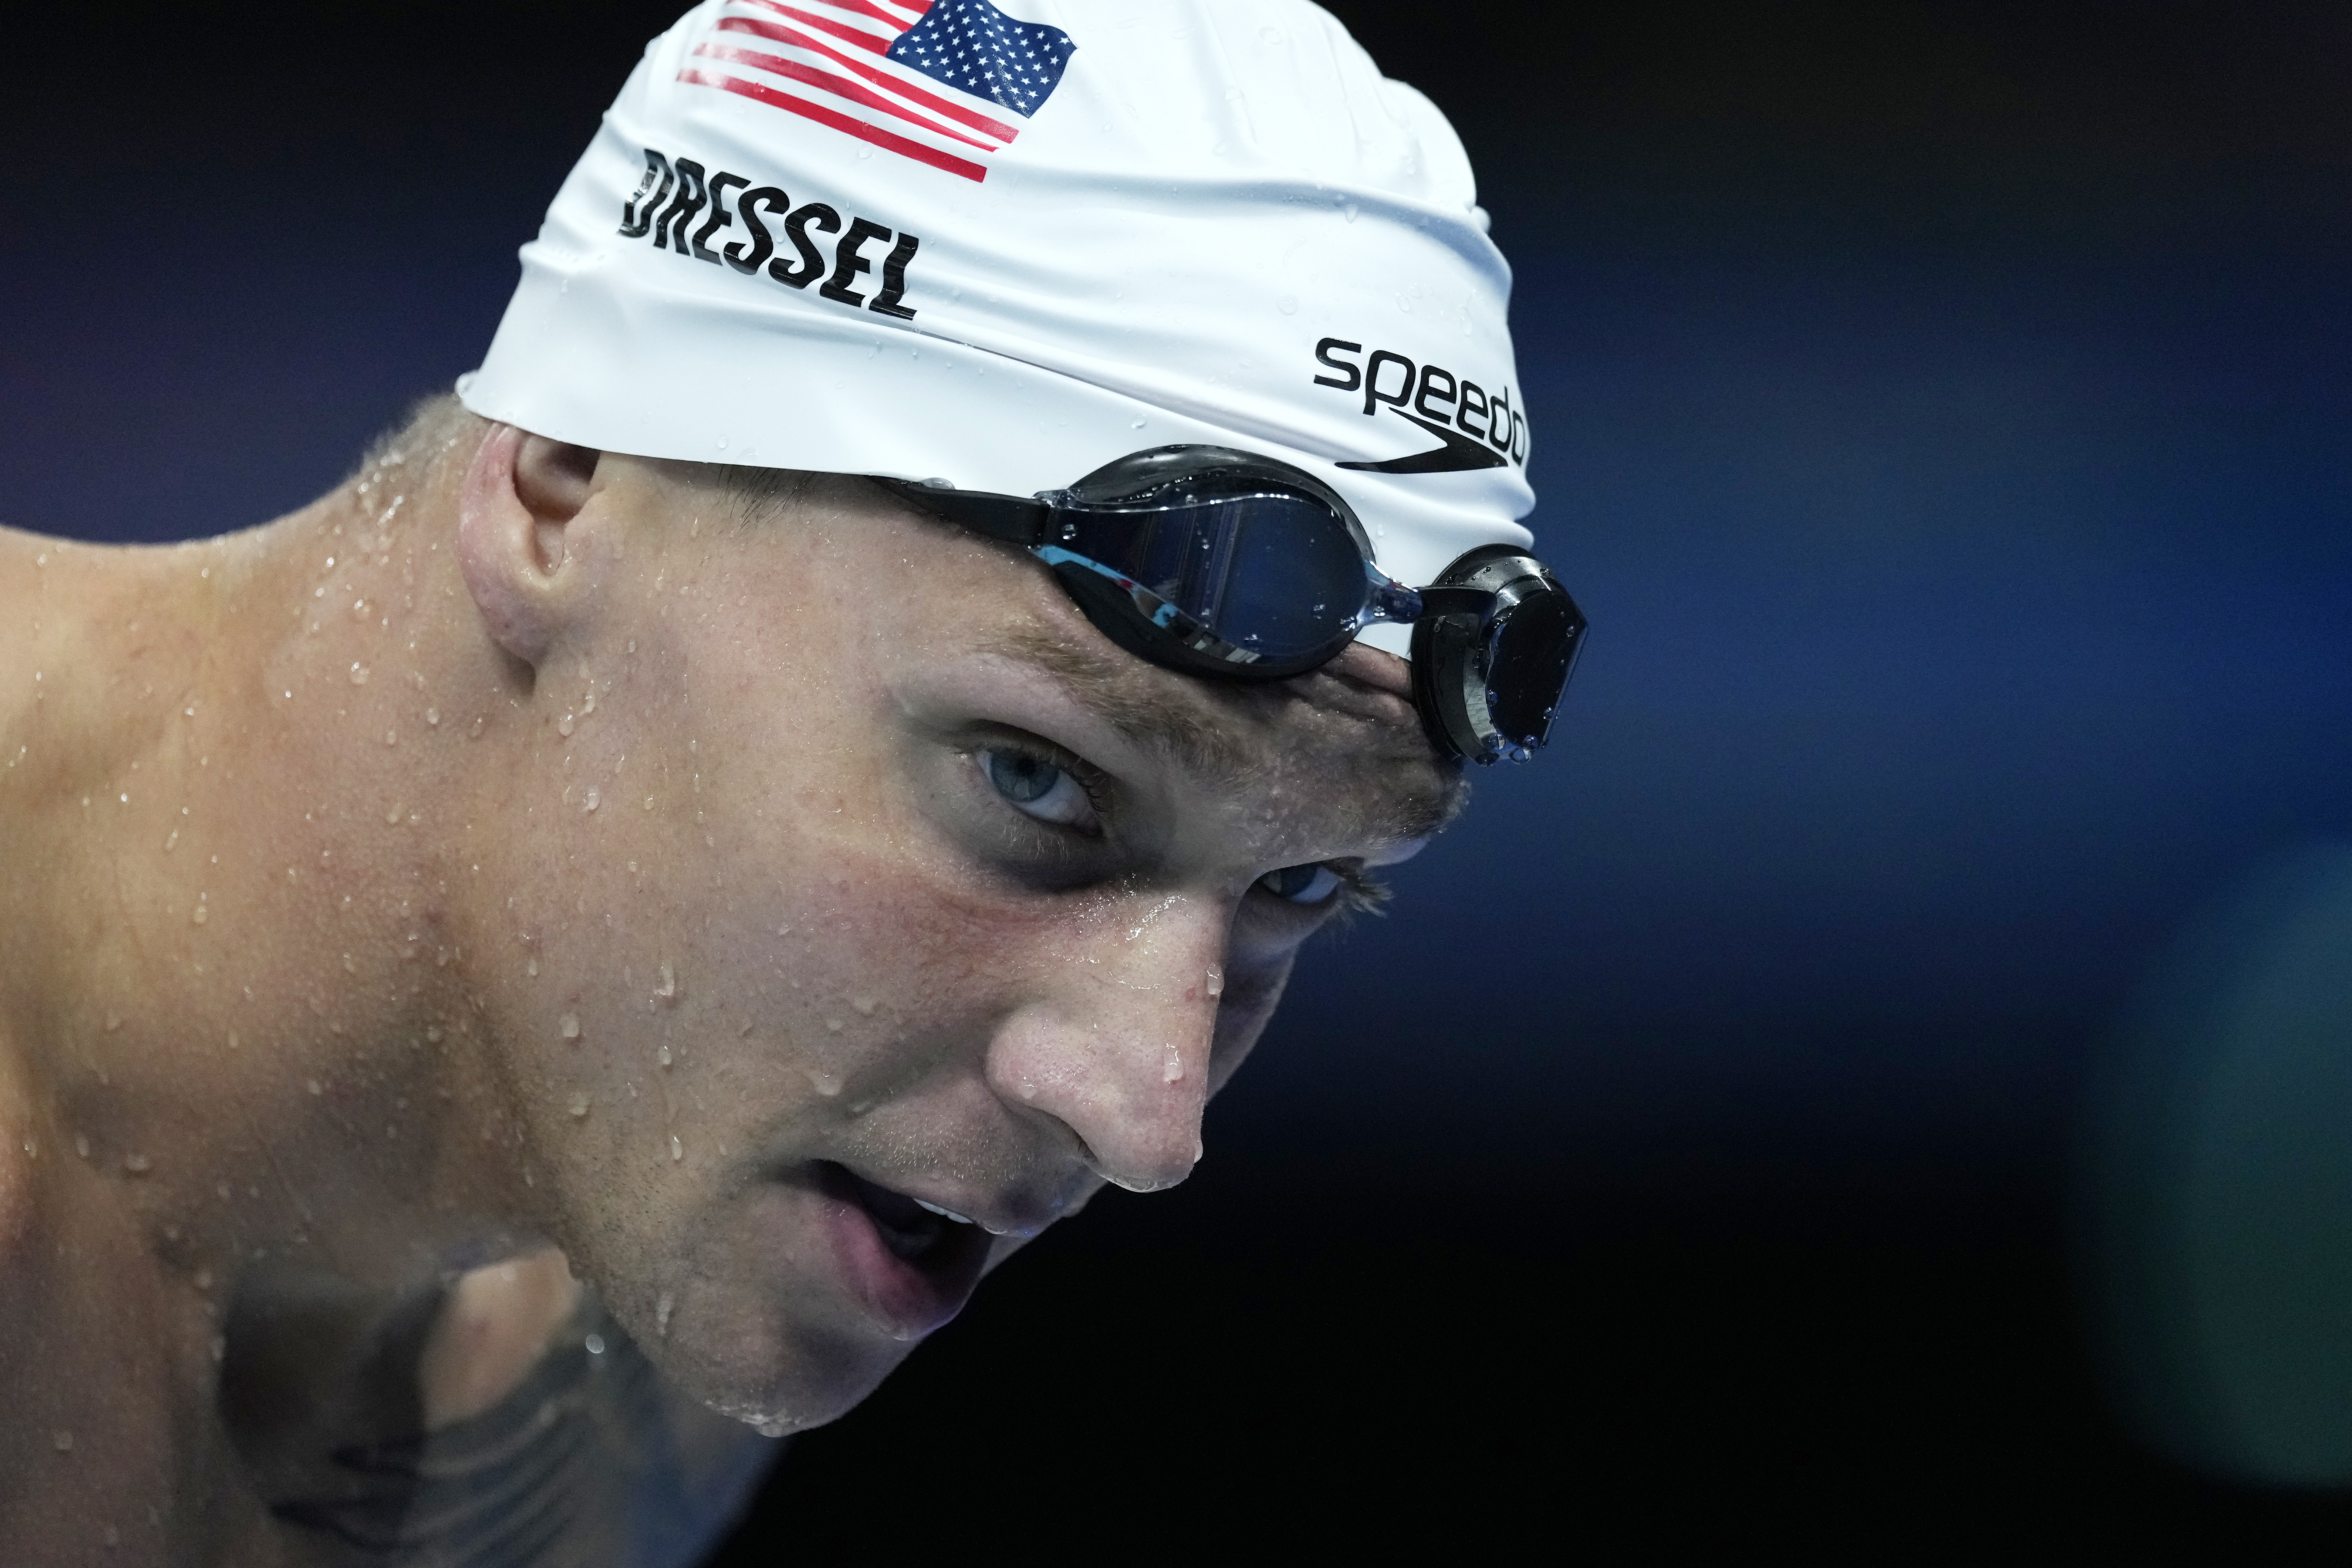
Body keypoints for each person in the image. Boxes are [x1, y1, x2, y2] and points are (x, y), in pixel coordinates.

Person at [0, 0, 1580, 1559]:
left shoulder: (621, 1338)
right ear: (572, 477)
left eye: (1300, 885)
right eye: (1033, 782)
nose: (1144, 1121)